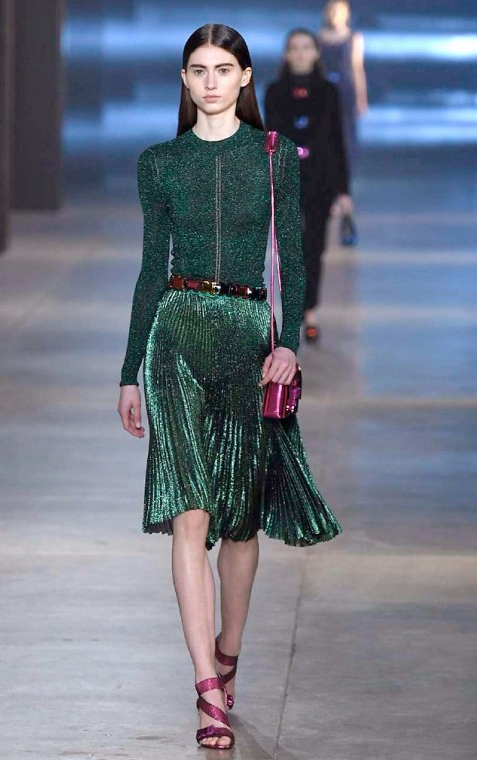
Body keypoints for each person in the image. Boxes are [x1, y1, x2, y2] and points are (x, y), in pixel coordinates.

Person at [117, 23, 342, 750]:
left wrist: (289, 344)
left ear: (245, 78)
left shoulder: (273, 157)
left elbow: (294, 257)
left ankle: (229, 650)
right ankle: (206, 687)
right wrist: (129, 370)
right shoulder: (160, 163)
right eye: (197, 70)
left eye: (222, 69)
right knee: (191, 514)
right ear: (184, 80)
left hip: (249, 336)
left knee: (240, 522)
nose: (210, 81)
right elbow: (150, 270)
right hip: (177, 335)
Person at [265, 28, 351, 343]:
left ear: (316, 53)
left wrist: (343, 191)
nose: (301, 53)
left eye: (306, 47)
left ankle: (310, 311)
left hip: (321, 179)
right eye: (294, 48)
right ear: (286, 54)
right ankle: (292, 315)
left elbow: (337, 141)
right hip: (287, 178)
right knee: (290, 251)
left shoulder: (328, 92)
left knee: (314, 248)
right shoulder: (275, 91)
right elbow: (270, 139)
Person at [318, 0, 368, 175]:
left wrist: (361, 97)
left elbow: (357, 68)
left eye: (338, 12)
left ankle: (346, 166)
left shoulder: (354, 37)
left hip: (346, 88)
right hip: (324, 88)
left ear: (346, 14)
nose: (334, 16)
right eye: (331, 12)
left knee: (347, 128)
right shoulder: (319, 37)